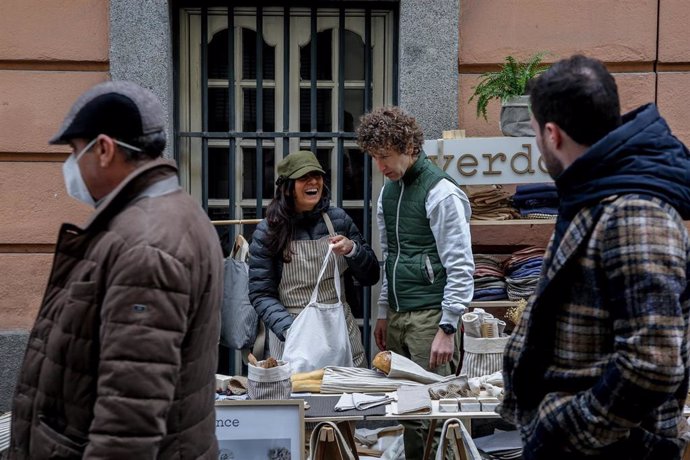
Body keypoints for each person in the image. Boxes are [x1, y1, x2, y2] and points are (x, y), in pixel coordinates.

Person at [9, 81, 224, 459]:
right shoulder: (168, 214)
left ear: (104, 149)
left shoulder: (145, 245)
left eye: (76, 152)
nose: (71, 167)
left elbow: (129, 417)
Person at [500, 55, 690, 459]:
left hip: (615, 448)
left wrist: (563, 429)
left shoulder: (635, 210)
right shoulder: (598, 193)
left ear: (552, 134)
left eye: (534, 134)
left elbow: (652, 361)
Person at [356, 106, 475, 460]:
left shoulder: (441, 192)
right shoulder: (388, 192)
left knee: (438, 415)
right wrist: (382, 312)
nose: (380, 166)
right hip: (398, 314)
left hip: (430, 316)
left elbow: (460, 264)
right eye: (375, 158)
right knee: (405, 413)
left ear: (408, 146)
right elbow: (389, 255)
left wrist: (448, 326)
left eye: (384, 157)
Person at [247, 150, 380, 367]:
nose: (313, 182)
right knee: (296, 395)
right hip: (291, 330)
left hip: (337, 327)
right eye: (304, 178)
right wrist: (290, 329)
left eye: (317, 176)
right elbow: (261, 293)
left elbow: (371, 275)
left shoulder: (338, 220)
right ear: (288, 188)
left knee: (349, 396)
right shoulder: (268, 231)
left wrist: (353, 250)